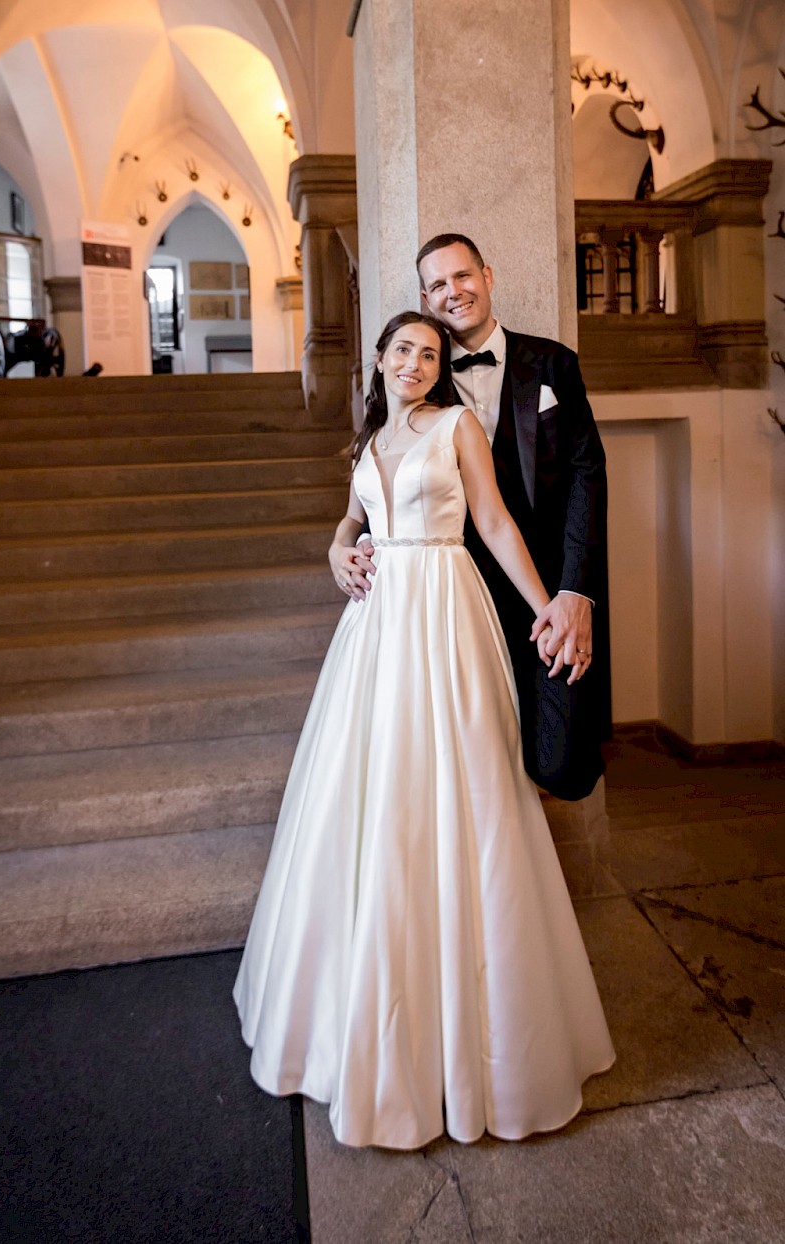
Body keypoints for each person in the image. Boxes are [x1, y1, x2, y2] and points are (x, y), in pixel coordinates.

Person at [235, 311, 615, 1150]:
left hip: (445, 614)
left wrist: (549, 601)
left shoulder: (458, 425)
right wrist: (338, 549)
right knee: (367, 795)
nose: (414, 362)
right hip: (374, 629)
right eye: (402, 350)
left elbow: (495, 525)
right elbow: (353, 521)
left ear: (441, 368)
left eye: (428, 353)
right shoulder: (368, 438)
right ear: (379, 358)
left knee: (459, 795)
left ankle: (482, 1045)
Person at [330, 234, 610, 801]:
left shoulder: (553, 364)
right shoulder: (415, 381)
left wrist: (571, 593)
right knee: (449, 754)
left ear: (487, 274)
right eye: (437, 285)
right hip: (453, 596)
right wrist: (341, 544)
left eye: (462, 276)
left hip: (543, 587)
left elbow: (588, 479)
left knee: (562, 765)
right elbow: (373, 497)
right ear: (424, 299)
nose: (453, 292)